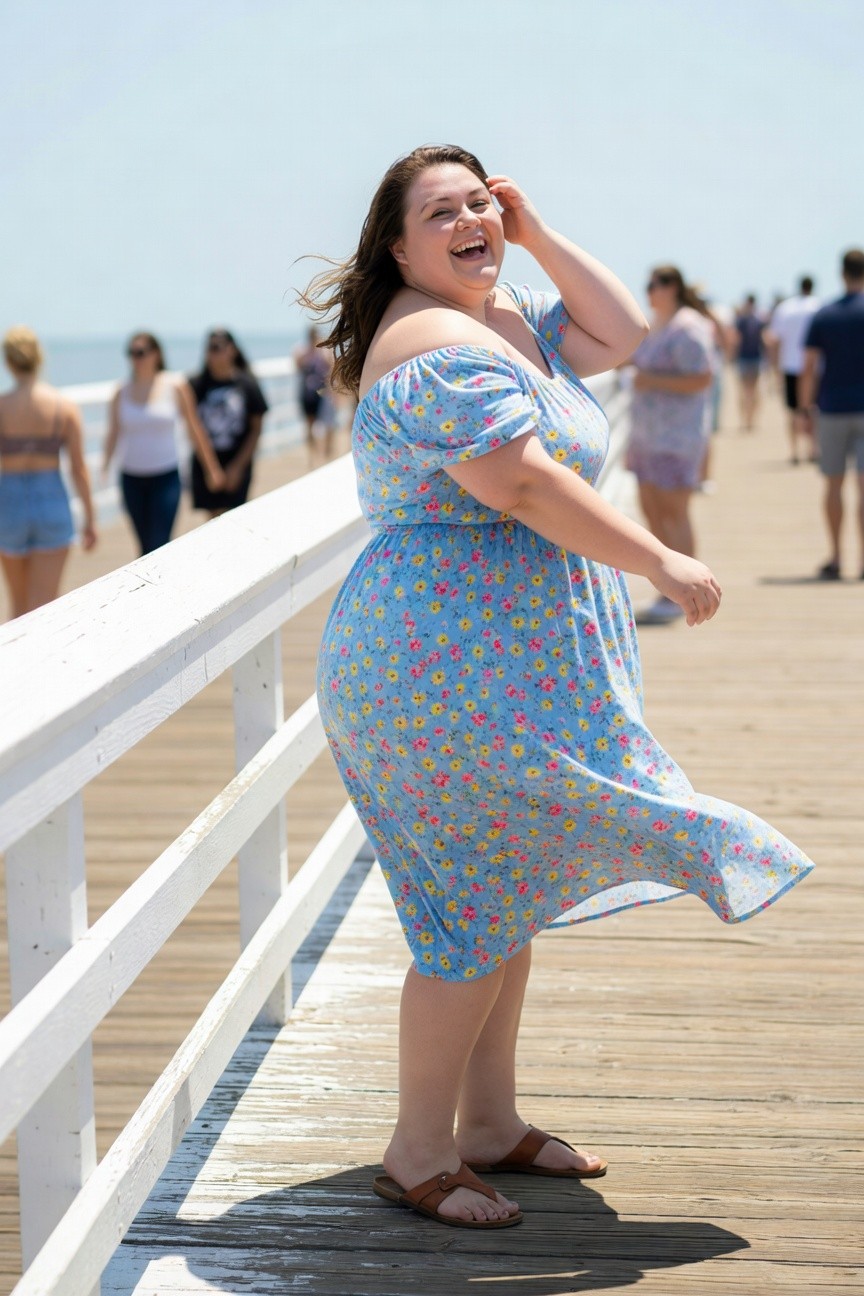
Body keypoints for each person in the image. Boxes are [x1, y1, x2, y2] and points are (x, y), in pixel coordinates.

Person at [304, 145, 814, 1231]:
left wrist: (531, 233)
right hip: (434, 677)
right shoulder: (431, 342)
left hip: (499, 673)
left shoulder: (510, 314)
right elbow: (520, 484)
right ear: (395, 247)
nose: (471, 220)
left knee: (507, 895)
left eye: (482, 202)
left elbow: (623, 335)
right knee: (468, 913)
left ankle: (488, 1125)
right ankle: (418, 1148)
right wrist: (660, 562)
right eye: (441, 212)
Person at [625, 266, 716, 624]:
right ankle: (670, 588)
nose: (649, 290)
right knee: (652, 509)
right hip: (648, 435)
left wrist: (649, 378)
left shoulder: (688, 326)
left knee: (674, 512)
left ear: (673, 287)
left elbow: (702, 378)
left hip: (676, 437)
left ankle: (692, 594)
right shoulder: (657, 324)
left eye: (656, 284)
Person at [0, 325, 97, 619]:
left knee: (17, 607)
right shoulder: (63, 407)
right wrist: (90, 520)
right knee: (43, 609)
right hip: (51, 501)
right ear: (39, 358)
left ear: (9, 361)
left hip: (9, 504)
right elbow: (78, 468)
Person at [102, 333, 226, 554]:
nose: (135, 359)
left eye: (140, 353)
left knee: (159, 542)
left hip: (165, 478)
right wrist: (104, 467)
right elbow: (113, 432)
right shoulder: (121, 391)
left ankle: (160, 586)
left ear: (155, 354)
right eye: (131, 353)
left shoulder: (175, 385)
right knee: (143, 545)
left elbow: (194, 429)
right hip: (131, 478)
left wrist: (211, 468)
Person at [799, 248, 864, 580]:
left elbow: (809, 367)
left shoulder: (825, 315)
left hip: (834, 407)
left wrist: (804, 409)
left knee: (833, 485)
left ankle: (837, 558)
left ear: (842, 273)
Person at [187, 329, 269, 518]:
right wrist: (211, 469)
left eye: (218, 347)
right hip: (205, 462)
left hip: (238, 460)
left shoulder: (247, 384)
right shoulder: (195, 385)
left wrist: (238, 467)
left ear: (232, 350)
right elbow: (193, 428)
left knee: (235, 518)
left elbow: (256, 428)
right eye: (210, 348)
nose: (213, 353)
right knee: (212, 520)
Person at [765, 277, 821, 464]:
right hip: (815, 367)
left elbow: (774, 340)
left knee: (793, 411)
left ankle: (795, 451)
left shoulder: (785, 308)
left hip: (790, 365)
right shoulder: (819, 306)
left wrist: (774, 368)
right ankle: (813, 449)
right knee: (813, 409)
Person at [294, 325, 337, 459]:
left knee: (329, 424)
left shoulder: (324, 352)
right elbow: (297, 365)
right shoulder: (302, 351)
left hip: (324, 393)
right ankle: (313, 454)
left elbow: (331, 369)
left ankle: (327, 453)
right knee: (309, 425)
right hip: (308, 393)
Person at [732, 295, 766, 431]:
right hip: (751, 358)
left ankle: (748, 420)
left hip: (749, 358)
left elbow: (736, 340)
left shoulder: (744, 321)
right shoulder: (755, 321)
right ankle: (748, 420)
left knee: (747, 391)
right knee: (750, 391)